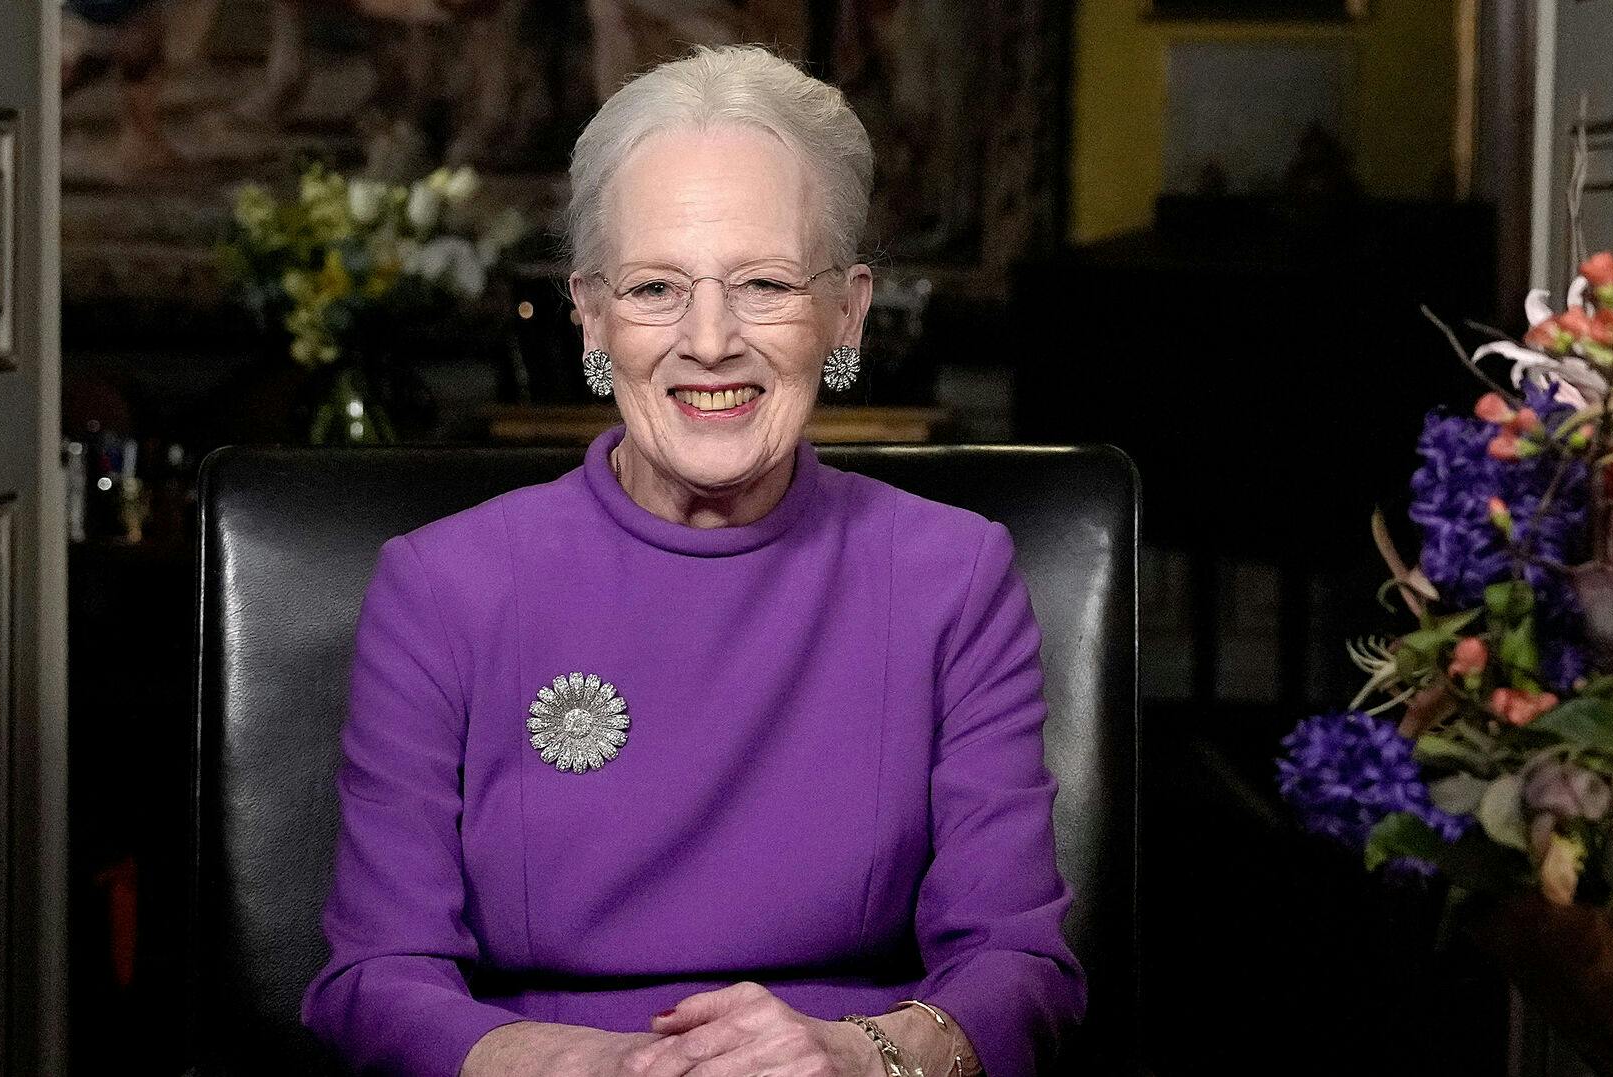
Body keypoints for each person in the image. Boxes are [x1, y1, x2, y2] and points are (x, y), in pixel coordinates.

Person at [302, 44, 1085, 1077]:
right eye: (657, 288)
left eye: (762, 282)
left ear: (845, 313)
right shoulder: (442, 586)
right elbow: (373, 980)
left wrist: (854, 1056)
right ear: (591, 317)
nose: (709, 341)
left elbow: (1020, 968)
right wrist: (598, 1067)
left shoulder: (954, 577)